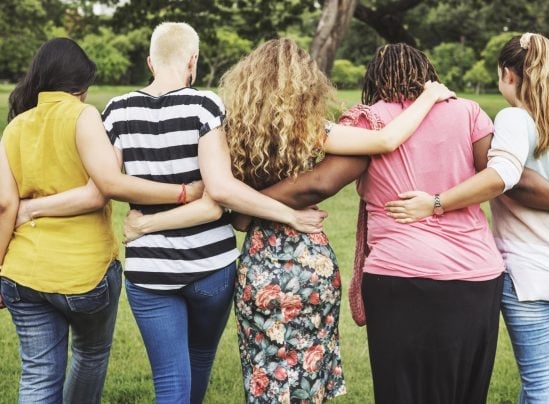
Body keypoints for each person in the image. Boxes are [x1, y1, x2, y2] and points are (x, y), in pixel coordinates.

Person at [4, 26, 328, 404]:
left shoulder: (116, 111)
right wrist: (290, 214)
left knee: (170, 381)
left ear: (149, 62)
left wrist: (37, 208)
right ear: (193, 60)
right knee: (200, 358)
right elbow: (219, 191)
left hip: (149, 270)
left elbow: (104, 185)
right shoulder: (205, 106)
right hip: (211, 266)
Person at [121, 37, 455, 402]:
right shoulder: (310, 130)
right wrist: (428, 96)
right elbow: (387, 139)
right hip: (309, 262)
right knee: (310, 377)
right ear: (306, 82)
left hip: (259, 266)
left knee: (266, 375)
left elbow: (235, 216)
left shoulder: (231, 133)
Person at [386, 33, 549, 403]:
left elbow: (503, 176)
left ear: (507, 74)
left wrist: (435, 202)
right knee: (545, 378)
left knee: (543, 388)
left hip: (531, 277)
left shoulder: (514, 118)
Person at [0, 37, 209, 404]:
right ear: (80, 85)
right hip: (84, 274)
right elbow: (104, 188)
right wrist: (182, 192)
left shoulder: (15, 126)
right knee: (91, 352)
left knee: (38, 374)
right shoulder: (83, 116)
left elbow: (5, 206)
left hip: (22, 273)